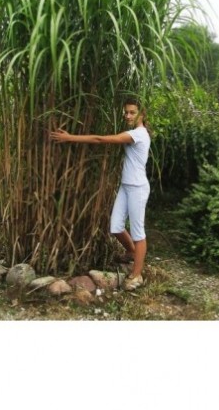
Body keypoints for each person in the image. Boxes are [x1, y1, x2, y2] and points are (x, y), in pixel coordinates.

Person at [49, 99, 151, 291]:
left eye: (132, 112)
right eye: (126, 112)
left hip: (138, 187)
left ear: (141, 115)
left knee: (138, 232)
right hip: (126, 186)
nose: (127, 116)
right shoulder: (134, 132)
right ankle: (130, 252)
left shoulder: (139, 134)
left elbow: (101, 140)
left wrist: (70, 137)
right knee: (115, 226)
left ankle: (137, 275)